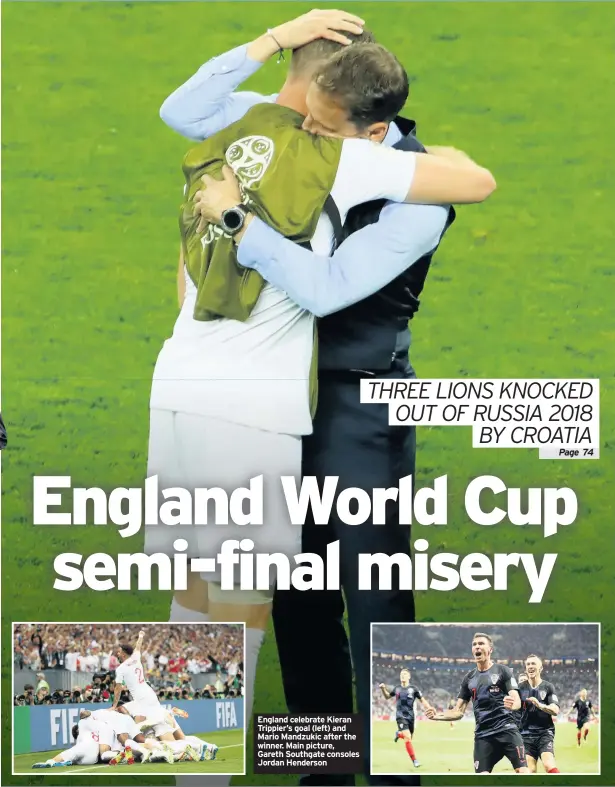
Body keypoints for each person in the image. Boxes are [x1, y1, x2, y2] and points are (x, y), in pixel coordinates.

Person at [159, 14, 494, 785]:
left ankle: (393, 774)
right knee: (290, 596)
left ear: (366, 129)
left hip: (357, 409)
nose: (300, 127)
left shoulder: (415, 188)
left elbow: (330, 287)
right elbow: (190, 115)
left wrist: (237, 222)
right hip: (269, 397)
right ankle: (325, 768)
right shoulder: (303, 144)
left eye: (318, 120)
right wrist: (279, 37)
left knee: (372, 592)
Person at [426, 633, 530, 774]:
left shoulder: (503, 671)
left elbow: (516, 699)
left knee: (523, 771)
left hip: (507, 730)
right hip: (483, 735)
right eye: (474, 644)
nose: (477, 647)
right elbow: (458, 711)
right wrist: (436, 716)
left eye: (481, 643)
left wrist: (514, 705)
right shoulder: (469, 679)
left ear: (490, 650)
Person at [378, 668, 433, 768]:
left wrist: (430, 708)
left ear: (409, 676)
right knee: (407, 738)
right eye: (401, 674)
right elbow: (387, 697)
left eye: (404, 674)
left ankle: (399, 734)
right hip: (400, 716)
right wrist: (383, 689)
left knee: (408, 739)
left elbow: (423, 700)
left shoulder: (414, 689)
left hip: (411, 717)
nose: (402, 676)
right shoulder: (397, 688)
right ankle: (415, 760)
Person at [517, 655, 560, 774]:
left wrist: (540, 705)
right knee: (529, 770)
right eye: (528, 664)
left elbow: (555, 710)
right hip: (525, 735)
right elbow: (514, 709)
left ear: (540, 668)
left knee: (548, 764)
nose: (530, 666)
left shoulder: (548, 687)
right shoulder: (519, 688)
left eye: (533, 664)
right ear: (526, 669)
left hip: (544, 733)